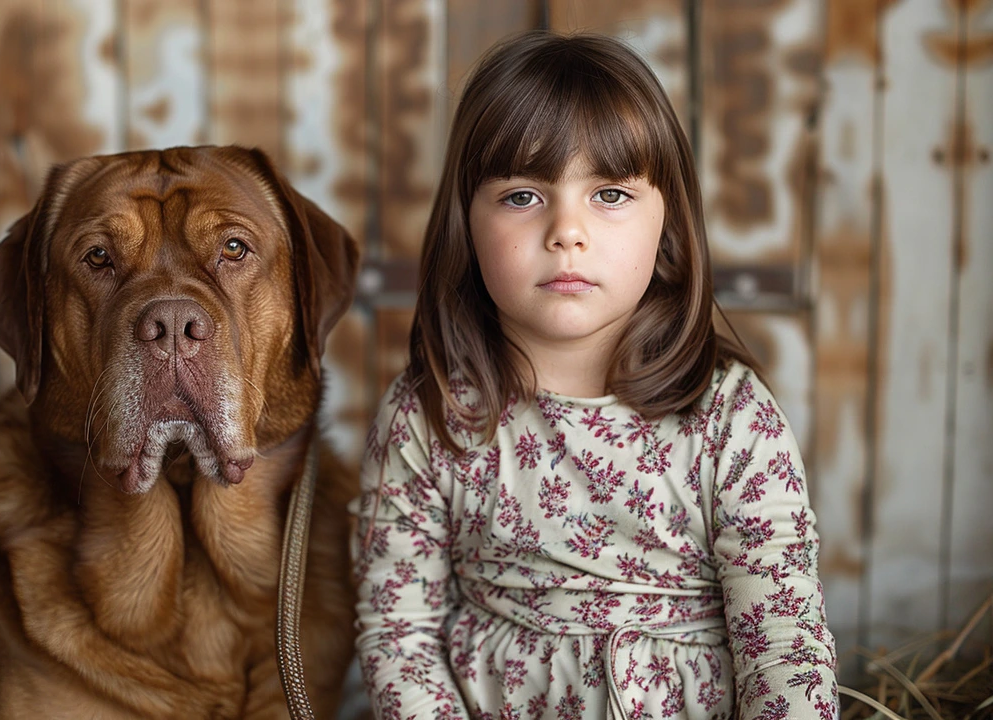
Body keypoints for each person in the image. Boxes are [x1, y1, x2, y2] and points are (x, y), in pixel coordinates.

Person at [351, 30, 838, 719]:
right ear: (466, 222)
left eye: (609, 194)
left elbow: (783, 641)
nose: (567, 231)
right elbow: (399, 637)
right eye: (522, 196)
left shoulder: (730, 416)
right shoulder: (430, 417)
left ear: (666, 224)